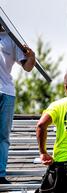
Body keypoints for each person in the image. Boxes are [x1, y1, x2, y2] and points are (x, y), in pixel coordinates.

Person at [0, 25, 36, 184]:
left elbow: (27, 67)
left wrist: (32, 56)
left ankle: (0, 173)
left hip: (6, 91)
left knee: (3, 135)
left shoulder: (11, 39)